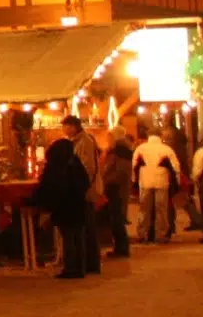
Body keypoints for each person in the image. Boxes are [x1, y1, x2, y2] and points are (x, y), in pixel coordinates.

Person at [34, 129, 93, 280]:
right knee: (78, 237)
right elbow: (85, 182)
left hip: (65, 208)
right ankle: (80, 268)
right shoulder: (76, 163)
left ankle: (70, 268)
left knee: (67, 237)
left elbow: (49, 187)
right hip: (79, 205)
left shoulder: (56, 166)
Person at [66, 115, 104, 274]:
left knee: (87, 226)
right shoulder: (77, 141)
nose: (64, 130)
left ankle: (91, 263)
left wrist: (81, 186)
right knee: (86, 226)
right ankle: (89, 263)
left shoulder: (85, 142)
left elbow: (88, 167)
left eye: (66, 126)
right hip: (83, 188)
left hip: (86, 190)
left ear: (74, 127)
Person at [133, 126, 181, 245]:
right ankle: (161, 235)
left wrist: (134, 181)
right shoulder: (166, 149)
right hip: (162, 181)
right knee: (161, 209)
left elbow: (134, 166)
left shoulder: (141, 148)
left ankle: (143, 234)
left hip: (145, 181)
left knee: (144, 209)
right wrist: (177, 182)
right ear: (160, 136)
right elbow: (176, 167)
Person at [101, 118, 135, 258]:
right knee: (116, 218)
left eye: (109, 136)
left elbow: (121, 171)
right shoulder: (118, 149)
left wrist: (107, 181)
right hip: (114, 188)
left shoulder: (120, 150)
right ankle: (120, 247)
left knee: (117, 219)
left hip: (116, 189)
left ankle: (122, 248)